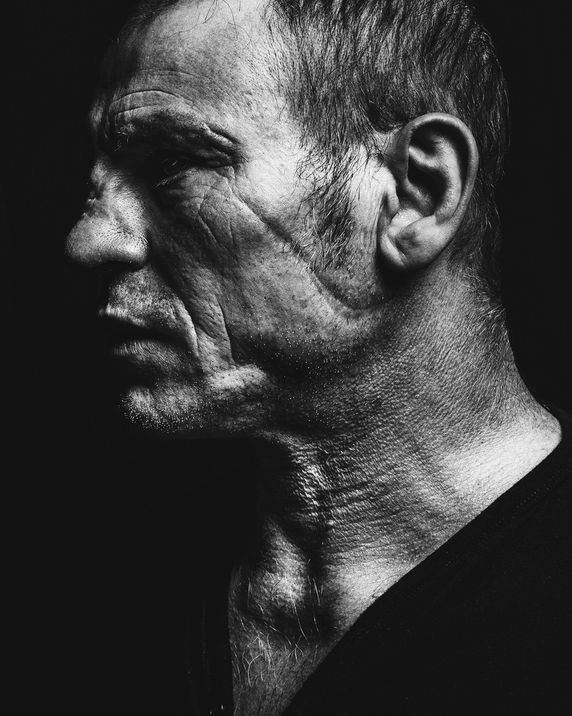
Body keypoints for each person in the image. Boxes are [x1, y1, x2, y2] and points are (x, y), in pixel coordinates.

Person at [66, 0, 571, 713]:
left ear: (416, 194)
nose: (89, 240)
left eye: (172, 163)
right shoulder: (112, 600)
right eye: (99, 182)